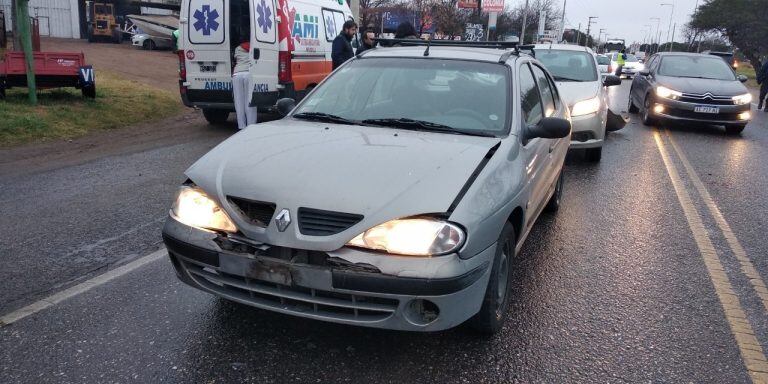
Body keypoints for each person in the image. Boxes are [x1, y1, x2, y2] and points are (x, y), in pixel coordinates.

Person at [232, 38, 257, 129]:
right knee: (250, 101)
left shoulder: (237, 48)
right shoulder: (255, 46)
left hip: (237, 74)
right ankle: (251, 126)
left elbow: (235, 59)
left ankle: (241, 126)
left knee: (239, 102)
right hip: (248, 74)